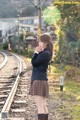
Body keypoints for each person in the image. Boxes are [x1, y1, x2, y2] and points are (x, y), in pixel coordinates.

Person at [29, 33, 53, 120]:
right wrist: (38, 52)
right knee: (43, 104)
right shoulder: (46, 52)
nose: (39, 43)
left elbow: (34, 63)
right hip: (41, 79)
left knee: (40, 106)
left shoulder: (45, 53)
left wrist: (35, 52)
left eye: (40, 41)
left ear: (45, 42)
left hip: (39, 80)